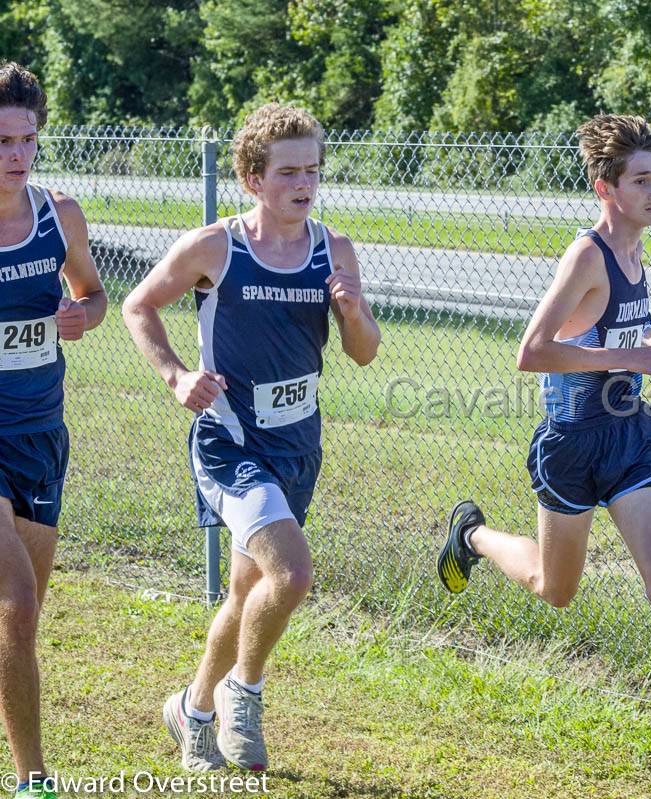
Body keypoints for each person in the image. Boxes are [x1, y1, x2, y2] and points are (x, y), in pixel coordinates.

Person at [436, 114, 651, 797]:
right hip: (572, 446)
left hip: (628, 441)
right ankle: (472, 534)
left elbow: (604, 330)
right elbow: (532, 351)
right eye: (641, 180)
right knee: (555, 588)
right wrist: (630, 352)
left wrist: (640, 347)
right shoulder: (588, 255)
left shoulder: (635, 250)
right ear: (606, 187)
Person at [122, 103, 380, 772]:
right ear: (251, 177)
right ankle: (246, 692)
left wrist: (351, 310)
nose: (304, 183)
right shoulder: (217, 247)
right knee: (290, 575)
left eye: (313, 170)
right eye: (288, 171)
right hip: (230, 442)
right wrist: (176, 373)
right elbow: (138, 304)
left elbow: (364, 352)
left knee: (246, 594)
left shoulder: (335, 250)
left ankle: (193, 709)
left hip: (299, 443)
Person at [0, 62, 108, 799]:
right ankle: (34, 778)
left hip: (41, 431)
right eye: (3, 140)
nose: (17, 155)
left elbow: (95, 295)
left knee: (20, 619)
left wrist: (81, 314)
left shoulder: (58, 214)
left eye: (27, 139)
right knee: (19, 601)